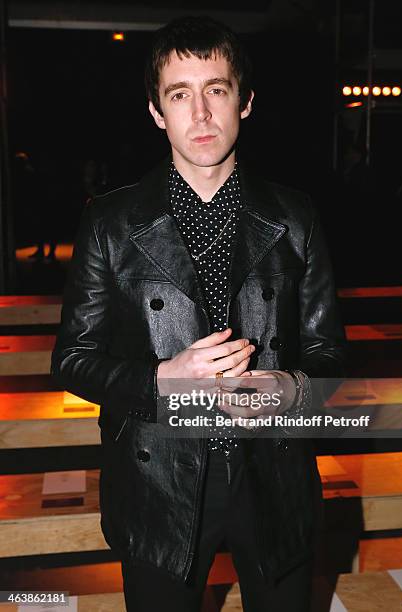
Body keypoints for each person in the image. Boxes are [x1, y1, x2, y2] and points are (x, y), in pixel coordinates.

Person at [51, 16, 345, 612]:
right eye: (180, 95)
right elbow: (72, 360)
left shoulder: (295, 216)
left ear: (246, 101)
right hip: (157, 477)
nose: (202, 114)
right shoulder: (111, 223)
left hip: (273, 472)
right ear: (158, 112)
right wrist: (162, 380)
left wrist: (288, 388)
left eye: (217, 90)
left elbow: (331, 354)